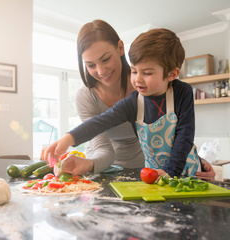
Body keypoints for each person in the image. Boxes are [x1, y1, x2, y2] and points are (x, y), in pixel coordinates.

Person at [45, 23, 215, 178]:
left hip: (179, 172)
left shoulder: (181, 92)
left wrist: (190, 165)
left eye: (147, 73)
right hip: (148, 174)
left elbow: (184, 135)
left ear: (171, 74)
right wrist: (68, 139)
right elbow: (100, 122)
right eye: (134, 71)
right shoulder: (133, 101)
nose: (138, 80)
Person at [45, 19, 145, 175]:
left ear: (120, 48)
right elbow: (104, 149)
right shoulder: (86, 96)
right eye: (91, 65)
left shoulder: (143, 84)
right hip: (102, 167)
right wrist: (89, 164)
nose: (101, 71)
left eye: (105, 59)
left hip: (144, 168)